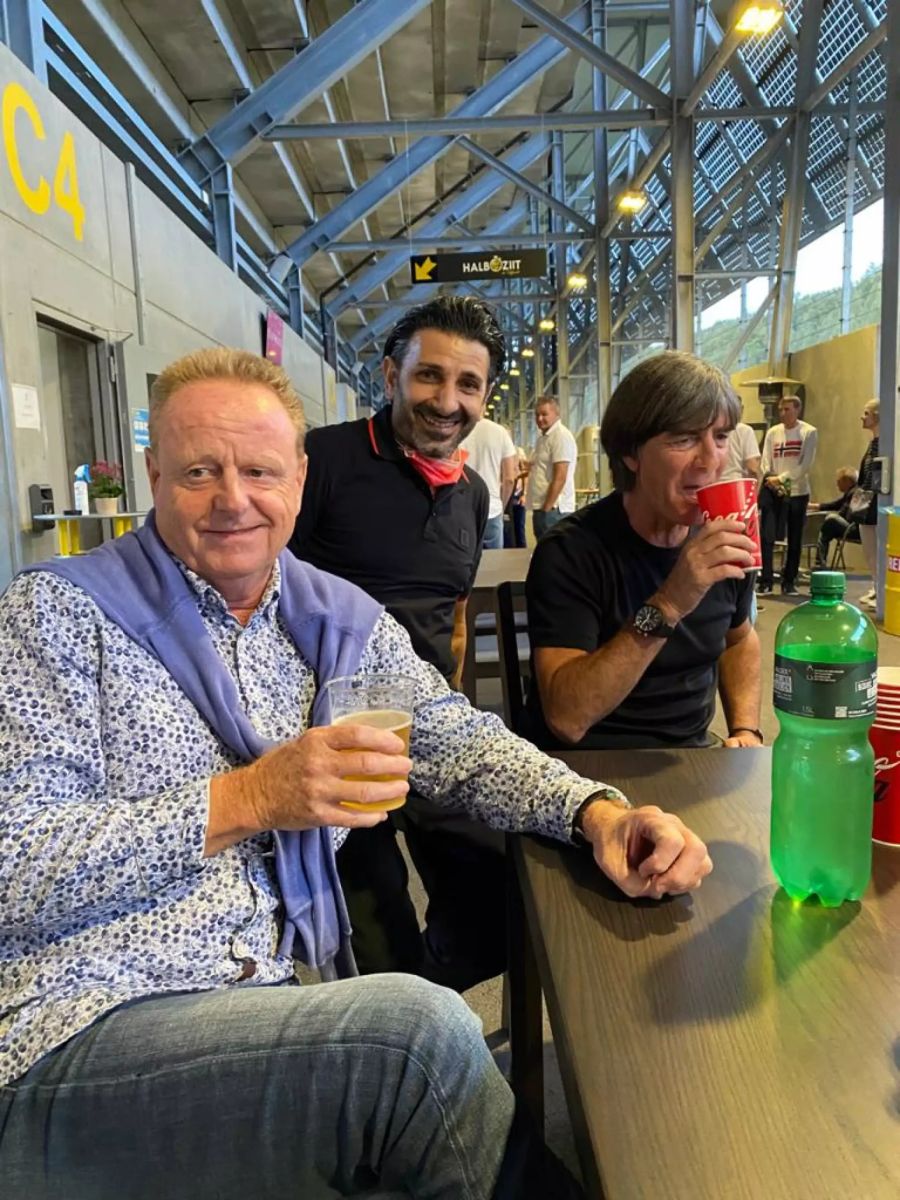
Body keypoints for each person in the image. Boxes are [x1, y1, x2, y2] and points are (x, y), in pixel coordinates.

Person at [0, 347, 714, 1199]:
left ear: (300, 479)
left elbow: (455, 736)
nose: (234, 499)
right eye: (199, 471)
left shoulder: (332, 619)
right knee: (412, 1041)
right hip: (70, 1032)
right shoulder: (58, 614)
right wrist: (252, 797)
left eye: (260, 470)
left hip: (256, 1003)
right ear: (154, 473)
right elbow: (15, 868)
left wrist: (597, 810)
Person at [288, 296, 503, 991]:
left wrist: (453, 702)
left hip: (427, 726)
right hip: (331, 738)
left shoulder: (471, 494)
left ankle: (428, 996)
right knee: (374, 936)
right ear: (390, 375)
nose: (447, 401)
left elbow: (455, 613)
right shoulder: (322, 459)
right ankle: (401, 1016)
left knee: (502, 900)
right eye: (428, 377)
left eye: (467, 384)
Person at [524, 350, 762, 751]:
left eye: (720, 437)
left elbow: (740, 639)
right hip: (586, 772)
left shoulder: (722, 537)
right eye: (684, 439)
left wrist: (745, 730)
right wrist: (670, 602)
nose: (711, 460)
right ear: (631, 453)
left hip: (691, 760)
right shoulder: (570, 552)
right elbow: (567, 718)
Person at [757, 395, 818, 597]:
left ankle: (789, 581)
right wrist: (770, 478)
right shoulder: (773, 432)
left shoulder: (808, 432)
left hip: (797, 492)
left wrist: (783, 478)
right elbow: (766, 459)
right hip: (773, 490)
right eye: (781, 410)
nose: (783, 413)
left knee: (795, 537)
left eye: (787, 410)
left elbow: (805, 465)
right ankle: (765, 580)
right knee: (767, 536)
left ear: (797, 410)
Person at [460, 413, 517, 549]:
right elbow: (509, 478)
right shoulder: (500, 432)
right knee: (495, 565)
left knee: (467, 564)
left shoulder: (458, 430)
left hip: (463, 510)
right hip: (492, 509)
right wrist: (501, 506)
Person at [527, 395, 577, 540]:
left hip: (554, 510)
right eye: (537, 415)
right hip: (542, 507)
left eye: (544, 414)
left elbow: (560, 477)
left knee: (553, 555)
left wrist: (546, 509)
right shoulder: (544, 438)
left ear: (556, 413)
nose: (539, 418)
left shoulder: (560, 437)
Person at [856, 397, 881, 609]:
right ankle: (876, 585)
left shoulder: (883, 445)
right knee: (869, 549)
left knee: (876, 548)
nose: (862, 418)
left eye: (866, 413)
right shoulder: (872, 444)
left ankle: (879, 588)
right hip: (866, 503)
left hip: (875, 503)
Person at [809, 466, 859, 569]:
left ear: (847, 481)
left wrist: (825, 517)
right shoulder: (851, 492)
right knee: (826, 530)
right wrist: (814, 506)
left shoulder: (854, 493)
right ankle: (820, 562)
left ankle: (820, 563)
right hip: (853, 527)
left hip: (853, 529)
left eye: (839, 481)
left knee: (830, 520)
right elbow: (836, 504)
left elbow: (843, 513)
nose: (837, 484)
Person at [720, 411, 760, 483]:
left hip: (711, 486)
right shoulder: (745, 430)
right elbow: (752, 468)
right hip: (737, 485)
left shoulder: (711, 429)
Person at [503, 445, 529, 548]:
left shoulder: (518, 451)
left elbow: (525, 474)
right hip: (507, 496)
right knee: (509, 529)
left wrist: (524, 494)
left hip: (517, 495)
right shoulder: (502, 450)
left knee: (519, 529)